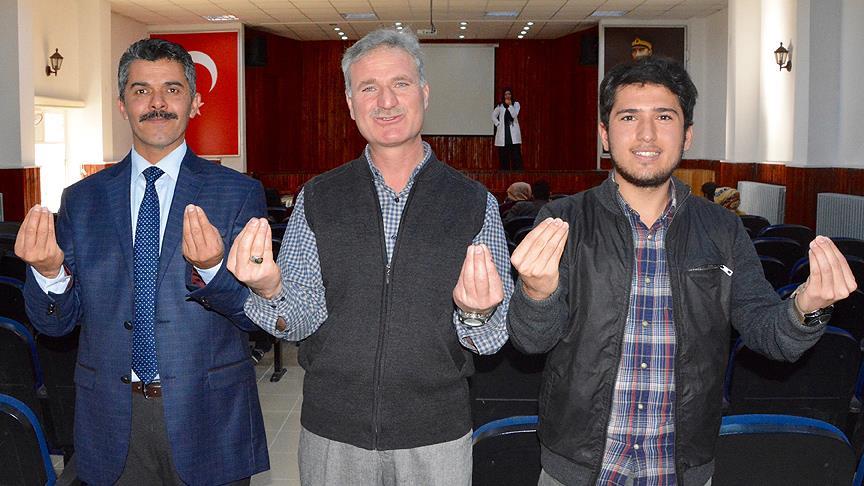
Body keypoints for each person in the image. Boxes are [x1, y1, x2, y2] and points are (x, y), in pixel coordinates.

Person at [507, 56, 857, 486]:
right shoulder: (563, 221)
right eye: (629, 117)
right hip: (577, 467)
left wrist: (808, 307)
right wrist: (536, 293)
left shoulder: (723, 229)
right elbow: (531, 341)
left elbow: (769, 333)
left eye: (664, 117)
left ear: (687, 134)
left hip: (682, 468)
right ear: (605, 134)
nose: (646, 134)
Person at [227, 28, 513, 485]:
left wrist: (477, 315)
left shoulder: (474, 203)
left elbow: (493, 339)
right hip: (332, 434)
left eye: (400, 83)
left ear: (424, 93)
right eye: (368, 88)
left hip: (437, 436)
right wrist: (269, 288)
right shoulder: (318, 197)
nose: (386, 101)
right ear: (349, 103)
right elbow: (299, 322)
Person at [14, 39, 269, 485]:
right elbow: (56, 325)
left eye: (172, 89)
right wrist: (50, 274)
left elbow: (257, 316)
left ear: (195, 102)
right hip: (112, 418)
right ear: (122, 105)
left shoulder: (238, 193)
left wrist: (212, 270)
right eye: (141, 90)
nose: (157, 103)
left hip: (209, 413)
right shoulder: (82, 200)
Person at [492, 87, 523, 170]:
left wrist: (509, 106)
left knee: (515, 153)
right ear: (503, 96)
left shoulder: (516, 104)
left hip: (513, 133)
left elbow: (514, 115)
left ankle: (517, 171)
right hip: (504, 132)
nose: (507, 96)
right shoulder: (500, 106)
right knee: (503, 154)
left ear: (511, 95)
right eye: (506, 94)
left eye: (509, 94)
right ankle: (504, 171)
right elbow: (493, 116)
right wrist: (498, 124)